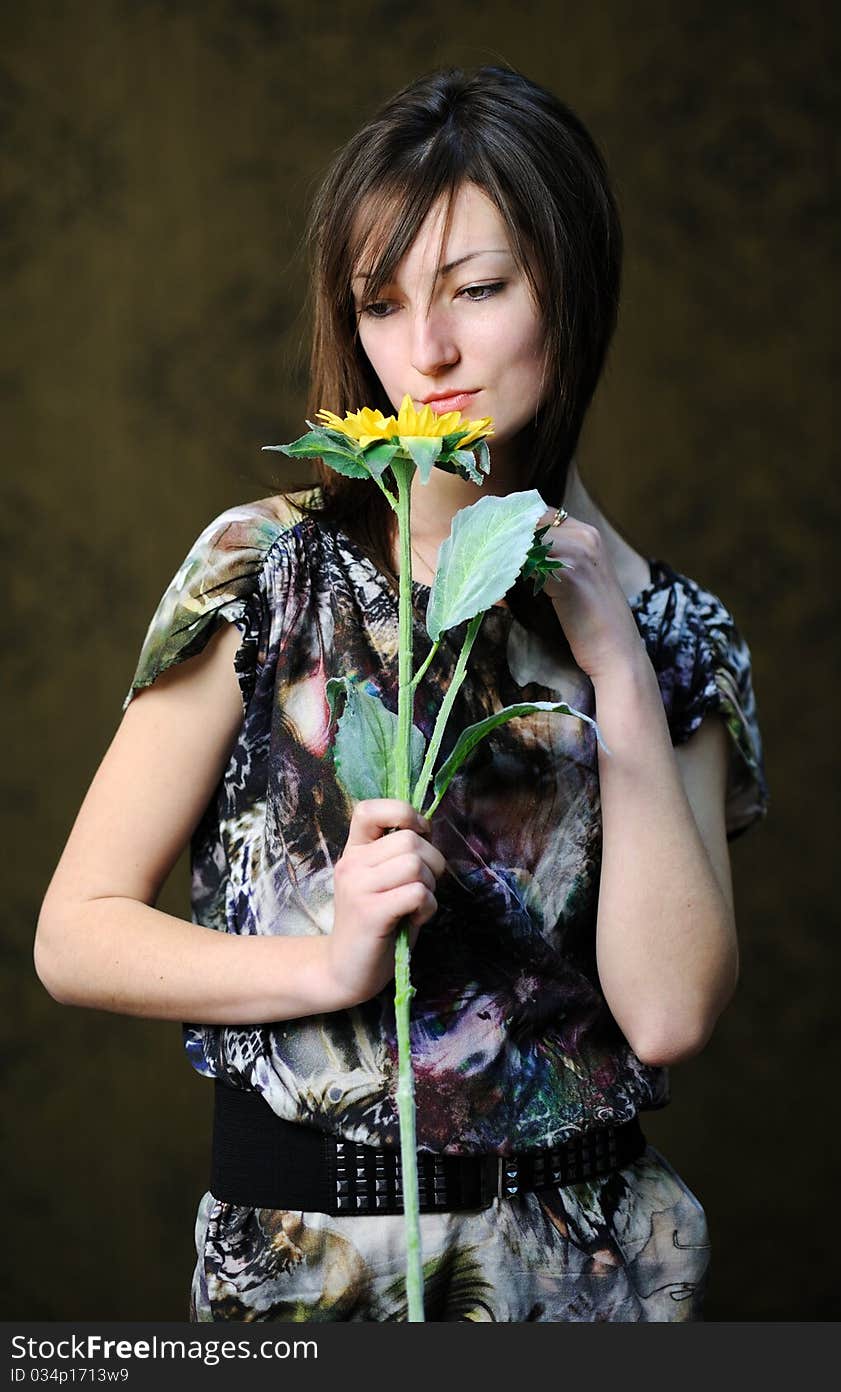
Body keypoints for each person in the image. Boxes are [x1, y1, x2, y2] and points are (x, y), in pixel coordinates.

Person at [34, 65, 768, 1323]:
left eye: (477, 291)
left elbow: (667, 1013)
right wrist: (327, 964)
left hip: (600, 1274)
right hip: (319, 1266)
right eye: (380, 303)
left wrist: (619, 676)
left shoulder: (668, 627)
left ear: (571, 286)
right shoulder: (272, 570)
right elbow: (76, 933)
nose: (423, 351)